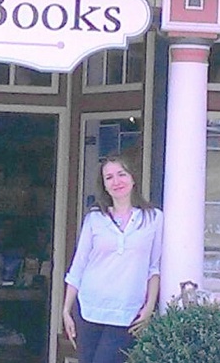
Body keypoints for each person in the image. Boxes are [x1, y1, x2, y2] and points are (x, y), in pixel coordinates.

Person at [62, 154, 163, 363]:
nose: (116, 182)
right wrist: (65, 310)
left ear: (133, 178)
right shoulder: (94, 219)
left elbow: (154, 267)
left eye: (121, 174)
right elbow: (78, 266)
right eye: (109, 177)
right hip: (88, 309)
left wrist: (150, 306)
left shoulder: (153, 218)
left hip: (127, 312)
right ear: (104, 185)